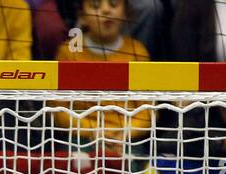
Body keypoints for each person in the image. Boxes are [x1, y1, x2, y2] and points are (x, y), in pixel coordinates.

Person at [55, 0, 153, 153]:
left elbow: (147, 113)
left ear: (125, 12)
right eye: (95, 6)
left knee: (131, 169)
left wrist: (122, 134)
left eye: (114, 5)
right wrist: (95, 131)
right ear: (82, 15)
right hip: (82, 136)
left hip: (125, 138)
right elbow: (60, 111)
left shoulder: (137, 51)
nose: (106, 10)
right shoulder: (69, 51)